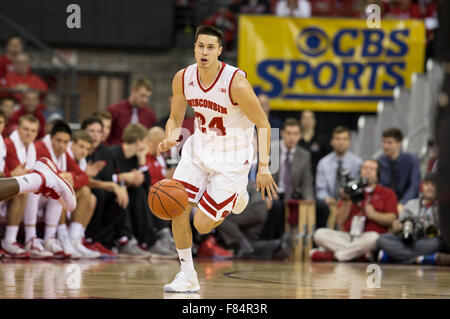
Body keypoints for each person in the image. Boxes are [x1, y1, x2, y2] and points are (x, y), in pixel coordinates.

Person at [158, 25, 277, 292]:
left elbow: (265, 124)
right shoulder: (183, 77)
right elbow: (176, 117)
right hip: (199, 150)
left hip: (232, 159)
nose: (204, 52)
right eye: (200, 46)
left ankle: (237, 196)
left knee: (201, 224)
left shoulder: (236, 82)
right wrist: (171, 135)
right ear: (194, 48)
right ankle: (187, 274)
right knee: (177, 207)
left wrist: (265, 166)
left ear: (220, 51)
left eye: (211, 47)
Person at [23, 121, 100, 259]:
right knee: (57, 188)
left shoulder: (64, 153)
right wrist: (63, 177)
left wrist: (70, 178)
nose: (61, 145)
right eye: (58, 140)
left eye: (65, 142)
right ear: (51, 138)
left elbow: (84, 178)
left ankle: (54, 239)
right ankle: (31, 239)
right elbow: (49, 176)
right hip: (30, 195)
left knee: (65, 190)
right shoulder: (41, 148)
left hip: (43, 197)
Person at [81, 116, 148, 258]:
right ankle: (89, 239)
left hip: (103, 189)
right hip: (85, 190)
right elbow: (101, 179)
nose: (95, 135)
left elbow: (111, 176)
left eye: (99, 132)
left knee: (123, 195)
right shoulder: (82, 150)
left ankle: (109, 241)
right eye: (91, 131)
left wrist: (120, 185)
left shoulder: (104, 152)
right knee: (99, 193)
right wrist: (118, 182)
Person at [108, 123, 176, 258]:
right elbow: (103, 178)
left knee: (141, 192)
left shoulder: (136, 157)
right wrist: (122, 178)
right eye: (146, 140)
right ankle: (125, 240)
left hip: (129, 195)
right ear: (139, 141)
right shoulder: (111, 153)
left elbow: (145, 185)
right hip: (109, 195)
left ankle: (148, 241)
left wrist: (141, 162)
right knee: (129, 193)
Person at [311, 159, 398, 262]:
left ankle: (333, 256)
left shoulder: (387, 193)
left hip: (368, 237)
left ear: (378, 174)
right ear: (360, 171)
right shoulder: (351, 190)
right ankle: (359, 255)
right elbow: (339, 221)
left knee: (374, 238)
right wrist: (347, 199)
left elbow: (392, 218)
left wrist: (374, 215)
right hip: (349, 236)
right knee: (319, 234)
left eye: (372, 169)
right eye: (365, 168)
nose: (368, 171)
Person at [377, 172, 444, 264]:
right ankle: (420, 259)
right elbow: (400, 225)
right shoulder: (410, 204)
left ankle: (394, 257)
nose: (429, 187)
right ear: (422, 186)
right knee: (383, 239)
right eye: (427, 184)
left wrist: (433, 231)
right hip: (408, 240)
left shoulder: (443, 207)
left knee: (436, 243)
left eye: (433, 185)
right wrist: (398, 226)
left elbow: (443, 232)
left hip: (427, 241)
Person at [316, 126, 363, 206]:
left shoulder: (358, 163)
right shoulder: (323, 163)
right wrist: (326, 198)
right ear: (331, 142)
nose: (341, 142)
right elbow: (320, 190)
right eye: (338, 139)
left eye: (344, 139)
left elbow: (360, 187)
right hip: (328, 206)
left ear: (349, 142)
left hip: (351, 204)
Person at [378, 127, 421, 214]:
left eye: (389, 142)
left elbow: (414, 185)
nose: (385, 146)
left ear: (399, 144)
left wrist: (402, 203)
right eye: (384, 142)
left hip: (408, 203)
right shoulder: (379, 162)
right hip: (386, 204)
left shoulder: (411, 160)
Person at [107, 78, 157, 145]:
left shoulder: (150, 115)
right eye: (142, 96)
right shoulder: (114, 110)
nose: (145, 100)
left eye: (148, 97)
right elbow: (106, 135)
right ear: (133, 91)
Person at [298, 110, 330, 181]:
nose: (307, 121)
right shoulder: (296, 139)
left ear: (314, 121)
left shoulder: (322, 139)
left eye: (310, 118)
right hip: (299, 176)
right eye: (305, 118)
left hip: (317, 176)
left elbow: (327, 160)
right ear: (301, 121)